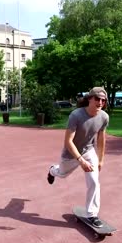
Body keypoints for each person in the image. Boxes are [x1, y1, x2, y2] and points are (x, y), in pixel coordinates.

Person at [47, 87, 109, 228]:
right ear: (89, 99)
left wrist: (100, 159)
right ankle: (52, 171)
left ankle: (92, 214)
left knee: (94, 182)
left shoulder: (104, 117)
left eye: (103, 100)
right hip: (70, 154)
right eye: (97, 99)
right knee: (62, 174)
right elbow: (68, 141)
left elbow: (101, 138)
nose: (100, 102)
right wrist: (80, 161)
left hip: (89, 152)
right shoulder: (76, 115)